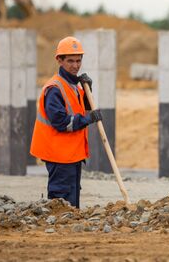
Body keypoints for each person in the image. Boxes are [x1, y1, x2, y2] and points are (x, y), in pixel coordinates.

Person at [30, 36, 103, 208]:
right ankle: (57, 233)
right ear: (59, 60)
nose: (76, 66)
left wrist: (87, 91)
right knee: (61, 201)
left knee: (72, 200)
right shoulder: (54, 88)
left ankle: (70, 231)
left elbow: (78, 108)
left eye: (78, 61)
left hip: (72, 154)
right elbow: (62, 122)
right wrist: (88, 119)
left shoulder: (73, 85)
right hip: (59, 155)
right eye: (70, 61)